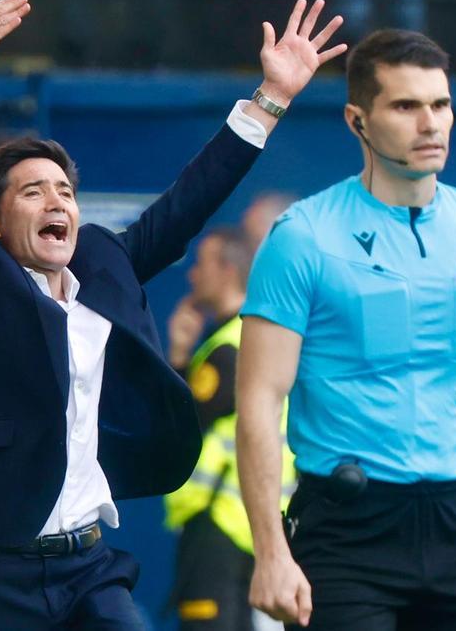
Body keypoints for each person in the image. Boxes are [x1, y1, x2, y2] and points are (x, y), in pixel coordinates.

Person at [0, 0, 346, 628]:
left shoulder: (100, 266)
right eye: (33, 190)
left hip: (87, 568)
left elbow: (186, 204)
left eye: (66, 190)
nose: (57, 200)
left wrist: (270, 100)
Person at [235, 28, 456, 630]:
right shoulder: (303, 237)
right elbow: (259, 400)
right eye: (406, 106)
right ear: (358, 121)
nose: (431, 123)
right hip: (345, 527)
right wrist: (271, 551)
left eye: (441, 104)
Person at [164, 227, 295, 631]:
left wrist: (178, 359)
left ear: (226, 270)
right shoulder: (247, 337)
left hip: (222, 522)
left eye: (200, 264)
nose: (191, 276)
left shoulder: (229, 348)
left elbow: (176, 428)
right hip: (252, 526)